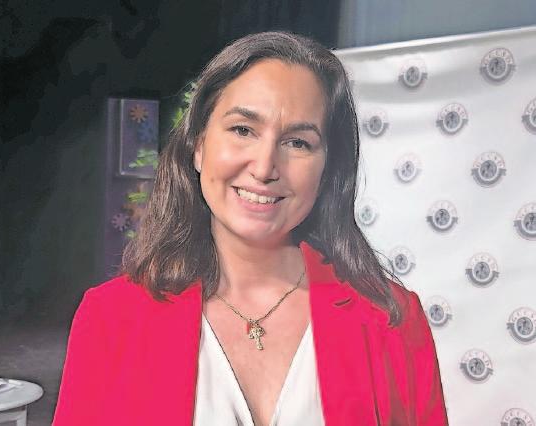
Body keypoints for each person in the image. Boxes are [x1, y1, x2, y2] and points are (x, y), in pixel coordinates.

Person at [53, 31, 448, 426]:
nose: (264, 168)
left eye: (298, 142)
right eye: (242, 130)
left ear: (328, 168)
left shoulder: (391, 319)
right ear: (199, 145)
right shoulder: (110, 318)